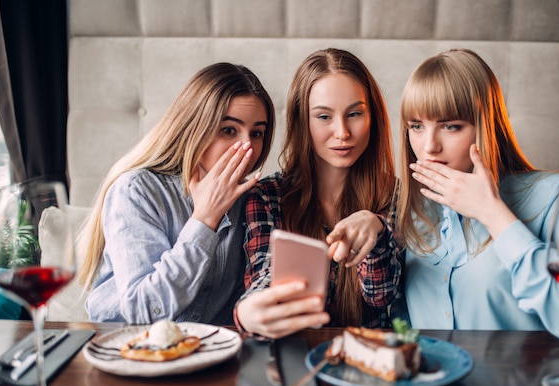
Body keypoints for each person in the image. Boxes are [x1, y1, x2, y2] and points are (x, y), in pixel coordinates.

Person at [396, 48, 559, 353]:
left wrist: (494, 214)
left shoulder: (554, 196)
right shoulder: (408, 209)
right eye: (416, 126)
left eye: (451, 126)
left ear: (485, 126)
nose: (429, 146)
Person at [79, 63, 275, 324]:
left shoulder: (254, 200)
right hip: (125, 346)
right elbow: (143, 311)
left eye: (257, 133)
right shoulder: (137, 191)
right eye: (229, 130)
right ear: (194, 127)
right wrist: (204, 220)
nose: (247, 147)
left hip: (211, 352)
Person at [235, 48, 400, 339]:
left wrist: (376, 229)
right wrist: (249, 311)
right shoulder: (267, 195)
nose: (342, 132)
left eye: (354, 114)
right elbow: (266, 275)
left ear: (373, 116)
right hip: (294, 360)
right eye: (324, 116)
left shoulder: (395, 194)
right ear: (302, 122)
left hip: (371, 367)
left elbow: (381, 296)